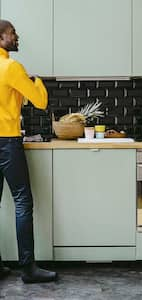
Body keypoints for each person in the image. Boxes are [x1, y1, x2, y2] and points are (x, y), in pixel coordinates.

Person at [0, 19, 57, 283]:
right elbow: (41, 101)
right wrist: (38, 81)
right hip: (7, 143)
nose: (17, 37)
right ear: (1, 38)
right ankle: (28, 269)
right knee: (23, 201)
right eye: (12, 33)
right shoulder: (11, 67)